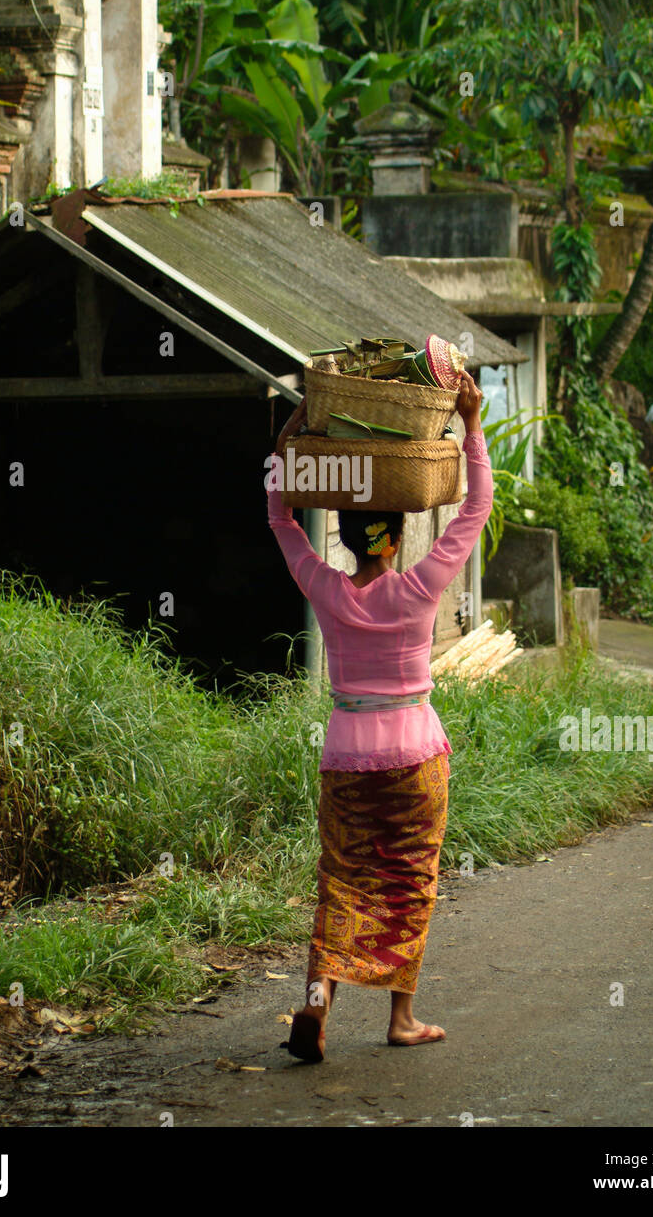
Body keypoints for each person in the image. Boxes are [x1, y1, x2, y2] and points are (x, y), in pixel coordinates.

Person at [265, 370, 493, 1062]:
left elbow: (277, 515)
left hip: (346, 750)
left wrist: (291, 432)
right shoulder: (419, 590)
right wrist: (472, 426)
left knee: (342, 878)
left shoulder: (325, 590)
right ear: (392, 538)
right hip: (415, 752)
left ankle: (316, 1003)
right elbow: (474, 511)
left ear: (344, 538)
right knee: (409, 876)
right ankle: (400, 1017)